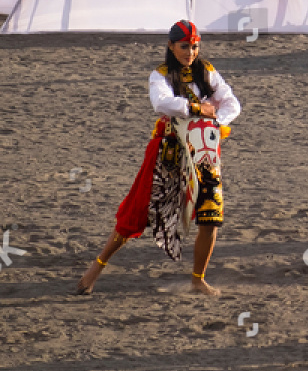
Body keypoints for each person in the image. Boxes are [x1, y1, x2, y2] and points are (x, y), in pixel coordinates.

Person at [76, 21, 242, 297]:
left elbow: (231, 103)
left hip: (203, 152)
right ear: (171, 46)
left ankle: (197, 279)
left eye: (195, 46)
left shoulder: (207, 71)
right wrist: (199, 108)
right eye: (185, 46)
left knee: (211, 215)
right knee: (138, 210)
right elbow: (161, 103)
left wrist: (213, 123)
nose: (191, 52)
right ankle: (96, 268)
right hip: (169, 152)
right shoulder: (161, 75)